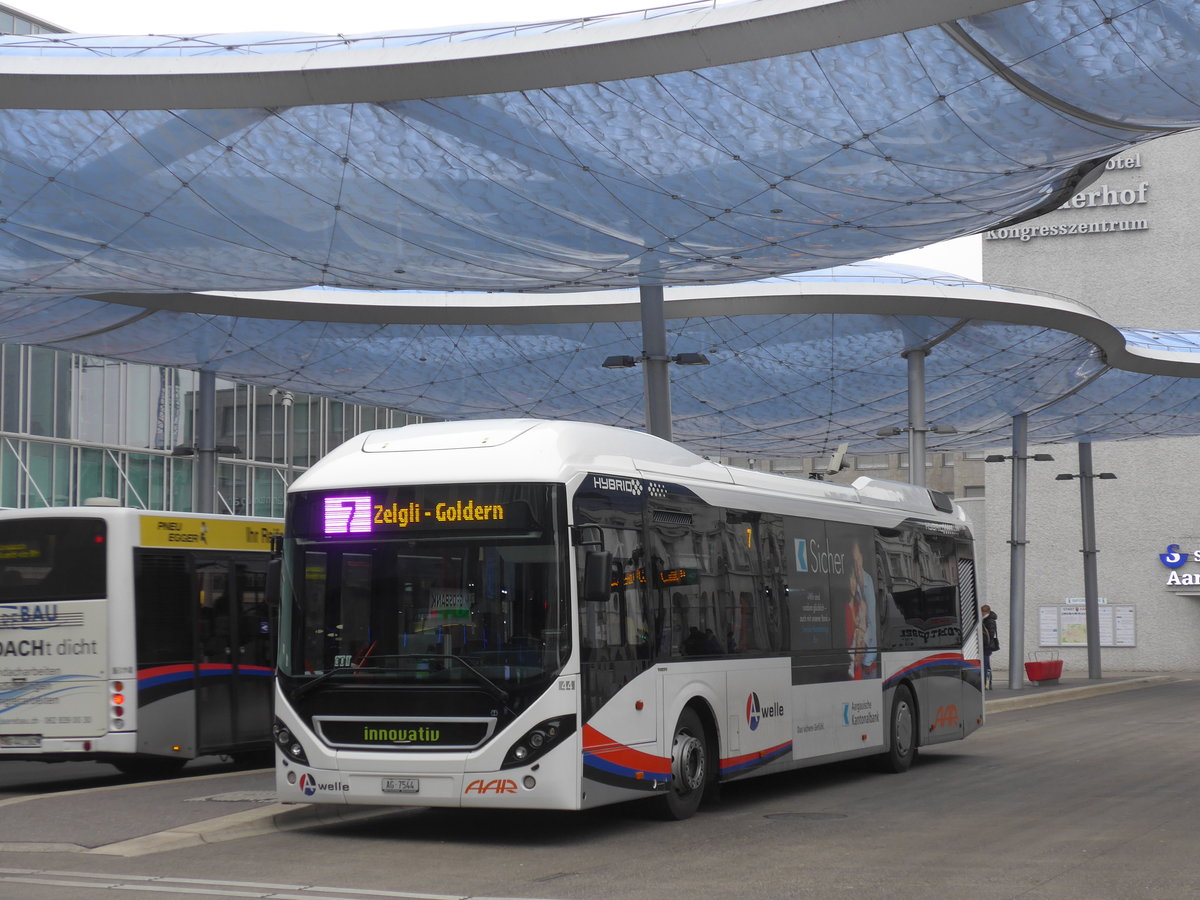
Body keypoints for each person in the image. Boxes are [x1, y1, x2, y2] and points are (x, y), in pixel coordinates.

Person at [981, 604, 999, 690]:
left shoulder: (989, 620)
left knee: (986, 665)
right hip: (986, 646)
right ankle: (987, 684)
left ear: (986, 612)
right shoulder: (986, 619)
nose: (981, 614)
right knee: (985, 665)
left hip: (987, 646)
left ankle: (988, 684)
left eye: (982, 612)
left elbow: (990, 634)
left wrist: (983, 639)